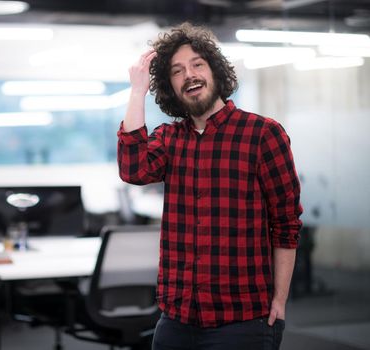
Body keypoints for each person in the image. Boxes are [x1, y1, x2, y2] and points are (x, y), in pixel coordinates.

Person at [117, 22, 303, 350]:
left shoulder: (262, 134)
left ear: (215, 71)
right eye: (177, 71)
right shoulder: (168, 139)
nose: (189, 74)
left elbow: (285, 224)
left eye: (197, 64)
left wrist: (280, 299)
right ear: (169, 86)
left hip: (243, 320)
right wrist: (137, 92)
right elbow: (133, 169)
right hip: (176, 319)